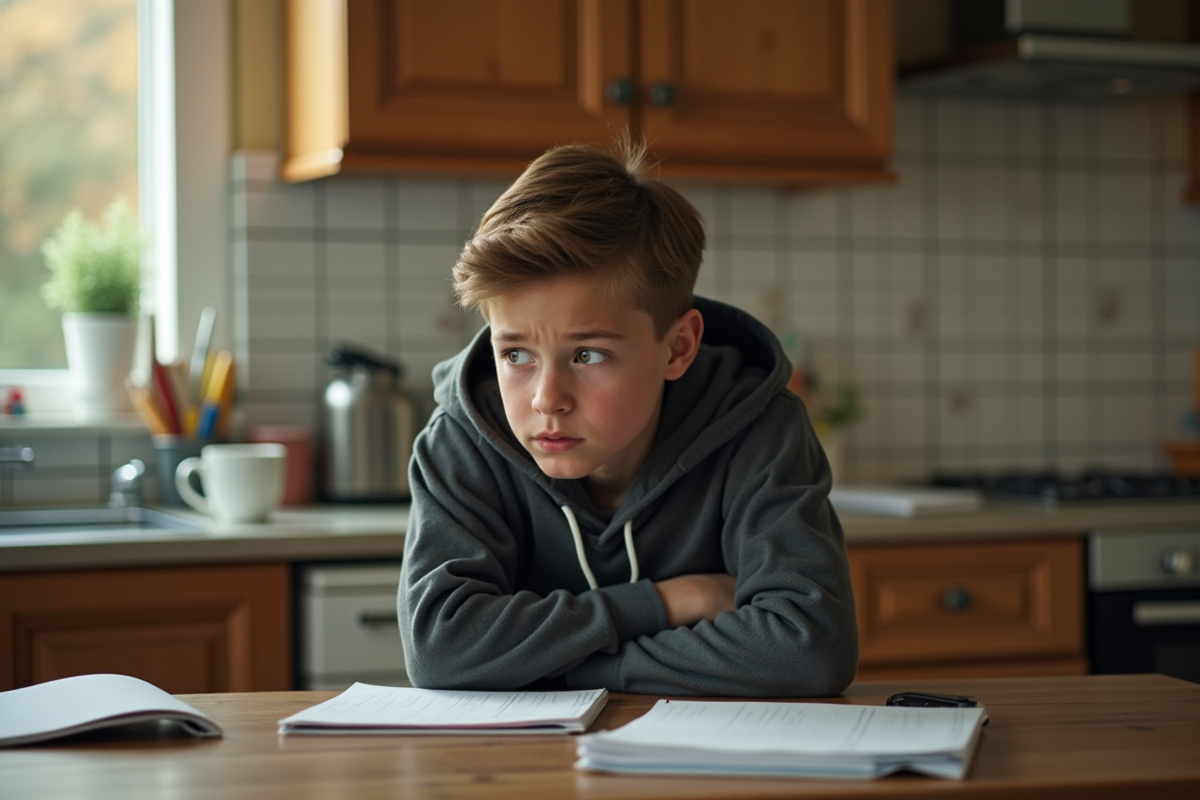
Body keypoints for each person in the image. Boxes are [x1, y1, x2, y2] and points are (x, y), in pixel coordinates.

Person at [397, 137, 858, 696]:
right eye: (515, 354)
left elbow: (808, 648)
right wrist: (665, 602)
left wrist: (560, 669)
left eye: (588, 355)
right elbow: (442, 650)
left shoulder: (760, 427)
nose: (546, 399)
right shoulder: (459, 439)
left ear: (677, 348)